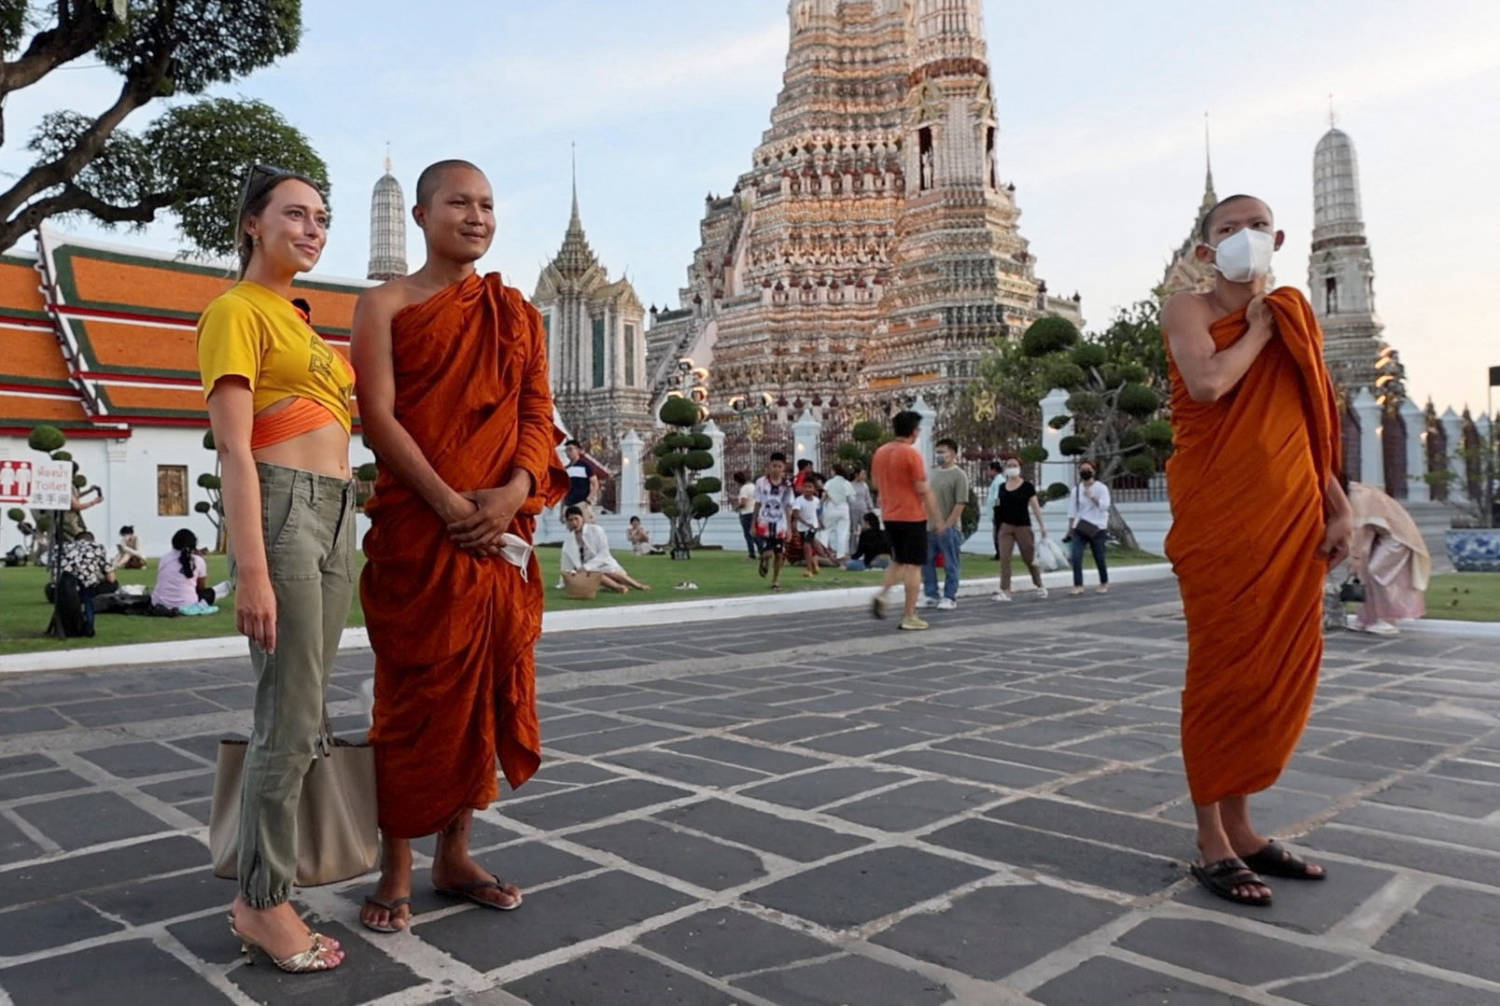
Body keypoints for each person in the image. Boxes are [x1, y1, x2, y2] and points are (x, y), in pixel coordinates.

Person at [353, 160, 569, 935]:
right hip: (422, 531)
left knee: (482, 693)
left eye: (486, 205)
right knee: (412, 697)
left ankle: (456, 852)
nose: (475, 217)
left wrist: (513, 493)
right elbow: (377, 415)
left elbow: (539, 415)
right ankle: (397, 863)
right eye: (458, 203)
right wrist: (446, 504)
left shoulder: (514, 313)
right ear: (419, 214)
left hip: (497, 534)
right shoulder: (383, 303)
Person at [1163, 193, 1351, 907]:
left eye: (1255, 226)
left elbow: (1310, 429)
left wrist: (1339, 508)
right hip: (1220, 521)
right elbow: (1208, 384)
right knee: (1220, 674)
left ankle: (1243, 829)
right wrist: (1261, 334)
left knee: (1273, 674)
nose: (1244, 238)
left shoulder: (1298, 315)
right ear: (1208, 251)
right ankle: (1212, 838)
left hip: (1292, 518)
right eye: (1227, 230)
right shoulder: (1189, 308)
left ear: (1278, 237)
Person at [198, 164, 352, 972]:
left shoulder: (306, 328)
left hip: (335, 512)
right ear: (252, 223)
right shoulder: (235, 312)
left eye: (321, 217)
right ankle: (261, 901)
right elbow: (234, 446)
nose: (312, 229)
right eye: (294, 214)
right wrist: (250, 569)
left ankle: (270, 880)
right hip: (284, 511)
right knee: (287, 715)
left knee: (306, 708)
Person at [870, 410, 941, 630]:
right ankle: (909, 615)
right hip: (911, 516)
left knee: (898, 560)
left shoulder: (880, 452)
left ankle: (883, 594)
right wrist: (936, 517)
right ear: (914, 431)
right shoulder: (911, 454)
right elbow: (922, 488)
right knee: (914, 566)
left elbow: (875, 483)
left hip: (890, 515)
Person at [1346, 482, 1429, 635]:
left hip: (1397, 537)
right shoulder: (1357, 493)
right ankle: (1367, 618)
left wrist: (1356, 558)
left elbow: (1362, 533)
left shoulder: (1359, 497)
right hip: (1383, 536)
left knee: (1377, 571)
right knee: (1367, 574)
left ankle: (1387, 619)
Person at [921, 437, 969, 611]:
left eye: (943, 451)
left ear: (953, 453)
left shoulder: (959, 475)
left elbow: (961, 502)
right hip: (929, 527)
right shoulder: (933, 473)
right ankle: (931, 594)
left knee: (951, 563)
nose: (939, 455)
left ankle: (950, 596)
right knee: (927, 563)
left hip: (949, 528)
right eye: (937, 451)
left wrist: (948, 525)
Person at [992, 455, 1048, 601]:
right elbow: (998, 507)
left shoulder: (1027, 486)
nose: (1011, 468)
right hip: (1006, 527)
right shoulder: (1001, 487)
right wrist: (997, 527)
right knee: (1005, 558)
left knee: (1029, 558)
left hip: (1023, 526)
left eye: (1014, 465)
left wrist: (1042, 526)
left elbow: (1035, 507)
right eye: (1009, 465)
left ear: (1020, 468)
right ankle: (1005, 590)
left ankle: (1039, 584)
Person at [561, 506, 650, 591]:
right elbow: (566, 565)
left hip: (605, 566)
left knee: (600, 571)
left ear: (582, 518)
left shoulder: (596, 530)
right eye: (570, 520)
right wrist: (566, 580)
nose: (574, 523)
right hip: (587, 574)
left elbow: (604, 553)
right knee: (592, 573)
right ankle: (619, 587)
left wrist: (587, 566)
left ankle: (637, 585)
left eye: (576, 519)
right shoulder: (568, 541)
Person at [1065, 461, 1111, 595]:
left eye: (1088, 469)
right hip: (1081, 526)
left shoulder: (1101, 488)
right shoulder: (1076, 490)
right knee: (1076, 556)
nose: (1085, 471)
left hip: (1098, 527)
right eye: (1082, 469)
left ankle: (1104, 582)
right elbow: (1072, 510)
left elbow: (1105, 506)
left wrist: (1093, 497)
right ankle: (1078, 584)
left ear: (1094, 471)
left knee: (1099, 556)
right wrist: (1070, 529)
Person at [151, 528, 220, 613]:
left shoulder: (164, 558)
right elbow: (200, 588)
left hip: (158, 602)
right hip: (188, 603)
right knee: (210, 593)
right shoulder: (198, 561)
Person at [753, 452, 795, 590]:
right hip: (764, 522)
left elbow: (788, 507)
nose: (776, 469)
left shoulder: (787, 485)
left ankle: (776, 579)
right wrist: (753, 523)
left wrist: (789, 528)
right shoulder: (761, 482)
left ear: (784, 468)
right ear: (769, 466)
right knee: (768, 552)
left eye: (779, 466)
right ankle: (764, 560)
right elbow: (757, 503)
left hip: (780, 525)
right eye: (774, 466)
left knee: (779, 553)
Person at [59, 530, 114, 633]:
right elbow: (111, 577)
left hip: (66, 580)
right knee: (88, 601)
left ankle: (68, 627)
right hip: (87, 580)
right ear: (92, 540)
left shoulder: (67, 547)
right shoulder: (98, 547)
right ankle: (89, 627)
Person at [790, 476, 823, 577]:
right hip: (802, 527)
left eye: (810, 487)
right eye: (806, 487)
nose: (808, 489)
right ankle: (815, 565)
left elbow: (818, 513)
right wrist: (804, 523)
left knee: (807, 546)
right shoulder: (799, 500)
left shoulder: (817, 500)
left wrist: (819, 523)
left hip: (812, 527)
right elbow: (796, 514)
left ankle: (809, 569)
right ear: (802, 488)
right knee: (809, 547)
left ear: (814, 489)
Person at [821, 464, 855, 561]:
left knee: (828, 531)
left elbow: (825, 496)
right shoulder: (846, 483)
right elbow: (852, 499)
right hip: (843, 508)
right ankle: (841, 554)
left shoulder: (829, 482)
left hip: (831, 507)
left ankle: (828, 552)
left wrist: (819, 505)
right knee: (843, 532)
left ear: (834, 471)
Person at [562, 440, 598, 522]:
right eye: (566, 450)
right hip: (569, 504)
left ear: (578, 450)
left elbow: (595, 484)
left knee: (587, 528)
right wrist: (562, 509)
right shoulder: (566, 469)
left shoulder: (585, 466)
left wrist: (588, 500)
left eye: (570, 449)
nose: (568, 453)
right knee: (574, 530)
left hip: (582, 504)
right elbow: (564, 490)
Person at [847, 465, 872, 557]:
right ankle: (852, 550)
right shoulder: (850, 485)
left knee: (865, 530)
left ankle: (866, 549)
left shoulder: (865, 486)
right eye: (862, 474)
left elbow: (867, 497)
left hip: (863, 509)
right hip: (852, 509)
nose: (864, 475)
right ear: (857, 474)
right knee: (853, 530)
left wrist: (870, 508)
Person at [734, 471, 759, 559]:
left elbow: (743, 502)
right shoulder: (753, 486)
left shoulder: (744, 488)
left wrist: (737, 507)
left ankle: (751, 554)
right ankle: (762, 551)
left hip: (746, 513)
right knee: (755, 533)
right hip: (755, 512)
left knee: (748, 534)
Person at [986, 460, 1005, 559]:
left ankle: (1000, 553)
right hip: (995, 512)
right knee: (996, 533)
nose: (987, 472)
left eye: (989, 470)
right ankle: (999, 553)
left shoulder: (999, 481)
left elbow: (997, 497)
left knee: (998, 533)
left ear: (994, 470)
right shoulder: (996, 481)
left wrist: (997, 512)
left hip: (998, 511)